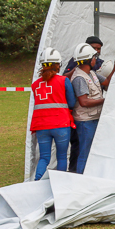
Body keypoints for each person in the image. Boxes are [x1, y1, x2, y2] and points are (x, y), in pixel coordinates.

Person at [30, 47, 76, 180]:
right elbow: (71, 103)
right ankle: (60, 183)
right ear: (58, 64)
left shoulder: (35, 85)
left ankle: (37, 181)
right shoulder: (63, 81)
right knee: (61, 156)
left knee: (44, 158)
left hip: (41, 126)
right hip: (61, 124)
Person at [70, 43, 106, 174]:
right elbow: (83, 101)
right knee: (85, 153)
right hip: (85, 121)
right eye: (94, 57)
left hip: (93, 118)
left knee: (91, 153)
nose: (96, 59)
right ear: (89, 60)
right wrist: (105, 101)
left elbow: (106, 83)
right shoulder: (80, 78)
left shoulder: (91, 73)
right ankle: (80, 179)